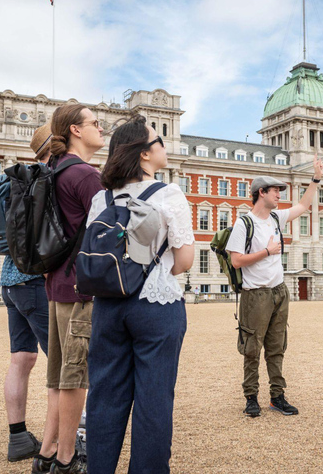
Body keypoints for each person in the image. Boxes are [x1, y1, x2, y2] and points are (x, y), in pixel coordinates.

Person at [84, 115, 194, 474]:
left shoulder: (101, 198)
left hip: (108, 303)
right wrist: (154, 270)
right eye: (159, 140)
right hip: (156, 304)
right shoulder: (169, 193)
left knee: (104, 396)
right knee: (154, 400)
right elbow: (184, 261)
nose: (164, 146)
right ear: (145, 154)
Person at [32, 104, 105, 474]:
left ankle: (46, 455)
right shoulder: (86, 175)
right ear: (76, 130)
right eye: (95, 123)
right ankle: (66, 460)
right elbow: (108, 235)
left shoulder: (55, 169)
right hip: (81, 287)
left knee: (60, 378)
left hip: (57, 284)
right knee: (76, 379)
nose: (101, 128)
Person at [225, 154, 323, 418]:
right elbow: (236, 261)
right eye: (275, 191)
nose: (280, 195)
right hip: (255, 294)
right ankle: (251, 397)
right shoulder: (244, 223)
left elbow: (303, 205)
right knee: (252, 348)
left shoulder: (276, 218)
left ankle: (277, 396)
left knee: (277, 346)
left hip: (279, 291)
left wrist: (315, 179)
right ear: (261, 193)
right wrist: (267, 252)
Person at [2, 124, 53, 464]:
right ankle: (59, 442)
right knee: (63, 365)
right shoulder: (47, 179)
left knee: (21, 360)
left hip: (10, 280)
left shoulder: (20, 179)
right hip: (35, 281)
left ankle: (18, 437)